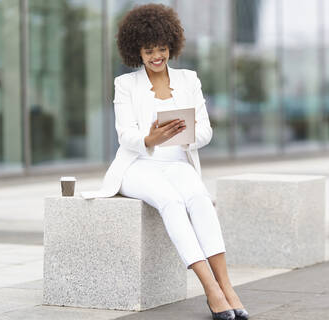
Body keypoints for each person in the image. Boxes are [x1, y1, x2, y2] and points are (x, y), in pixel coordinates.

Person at [81, 4, 248, 320]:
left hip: (178, 162)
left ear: (171, 46)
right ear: (137, 51)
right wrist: (151, 139)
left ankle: (227, 287)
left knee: (198, 198)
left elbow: (206, 131)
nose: (156, 56)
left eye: (161, 49)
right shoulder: (125, 85)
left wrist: (184, 135)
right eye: (148, 50)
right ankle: (211, 290)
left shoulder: (189, 80)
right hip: (138, 165)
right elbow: (124, 135)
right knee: (171, 201)